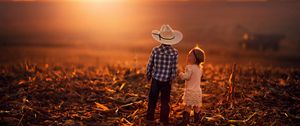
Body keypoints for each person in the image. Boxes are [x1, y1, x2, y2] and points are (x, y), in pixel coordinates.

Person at [146, 24, 183, 125]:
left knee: (152, 99)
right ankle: (164, 120)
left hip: (155, 79)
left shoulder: (155, 50)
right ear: (171, 39)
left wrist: (148, 75)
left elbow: (150, 64)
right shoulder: (174, 52)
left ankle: (149, 118)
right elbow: (174, 69)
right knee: (165, 102)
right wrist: (172, 79)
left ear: (160, 38)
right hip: (166, 81)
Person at [179, 46, 205, 125]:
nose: (188, 56)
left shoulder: (189, 67)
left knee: (188, 107)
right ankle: (197, 121)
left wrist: (180, 73)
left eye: (190, 55)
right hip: (197, 91)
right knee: (197, 107)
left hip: (190, 91)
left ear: (195, 58)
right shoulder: (200, 68)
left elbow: (186, 77)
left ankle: (185, 122)